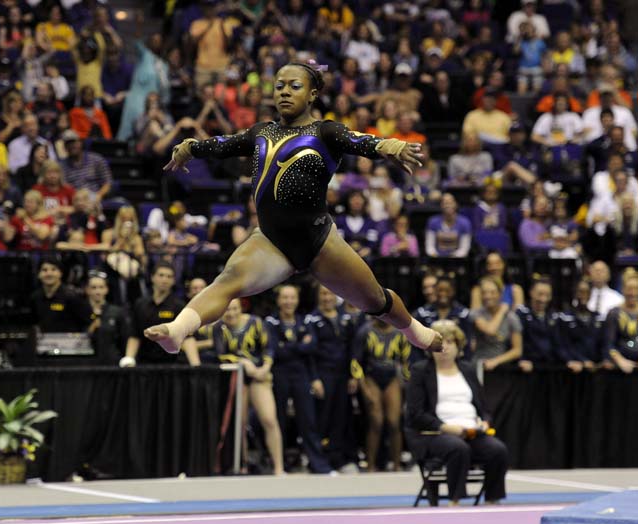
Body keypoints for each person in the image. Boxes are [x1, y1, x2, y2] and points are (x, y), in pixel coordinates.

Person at [144, 62, 443, 356]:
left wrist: (387, 146)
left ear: (312, 94)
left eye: (295, 86)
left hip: (319, 243)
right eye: (279, 86)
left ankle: (414, 331)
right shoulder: (260, 132)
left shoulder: (325, 132)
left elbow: (358, 141)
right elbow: (223, 144)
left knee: (375, 300)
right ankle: (178, 330)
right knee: (227, 279)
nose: (285, 92)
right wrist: (190, 147)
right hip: (272, 241)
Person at [405, 320, 509, 505]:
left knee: (498, 450)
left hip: (471, 431)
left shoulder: (467, 370)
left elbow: (484, 408)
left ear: (458, 346)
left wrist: (484, 422)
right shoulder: (420, 371)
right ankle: (456, 500)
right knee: (457, 448)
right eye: (439, 342)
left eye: (450, 342)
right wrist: (446, 427)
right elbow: (416, 413)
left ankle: (493, 500)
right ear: (430, 347)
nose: (444, 347)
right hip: (434, 434)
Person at [213, 298, 284, 475]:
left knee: (269, 419)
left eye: (235, 309)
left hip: (259, 376)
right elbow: (221, 355)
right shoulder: (219, 328)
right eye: (227, 310)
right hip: (237, 378)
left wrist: (265, 368)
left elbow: (268, 348)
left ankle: (278, 467)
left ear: (241, 308)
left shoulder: (256, 323)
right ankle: (243, 465)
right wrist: (244, 363)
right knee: (241, 423)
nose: (231, 313)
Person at [266, 285, 332, 473]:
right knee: (278, 420)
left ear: (297, 300)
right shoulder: (271, 322)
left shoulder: (304, 321)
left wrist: (314, 378)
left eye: (292, 298)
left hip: (301, 373)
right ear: (278, 300)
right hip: (279, 374)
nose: (288, 302)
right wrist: (298, 346)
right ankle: (277, 462)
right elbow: (275, 351)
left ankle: (318, 464)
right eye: (285, 298)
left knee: (308, 419)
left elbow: (311, 349)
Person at [351, 316, 411, 472]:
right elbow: (356, 362)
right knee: (375, 422)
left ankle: (397, 465)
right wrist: (363, 388)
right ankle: (370, 465)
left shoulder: (400, 332)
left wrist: (407, 384)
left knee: (394, 422)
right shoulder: (365, 331)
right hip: (372, 377)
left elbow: (406, 360)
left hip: (392, 378)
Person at [308, 285, 357, 470]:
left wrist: (354, 375)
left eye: (329, 293)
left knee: (341, 416)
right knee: (323, 416)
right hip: (323, 373)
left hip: (343, 374)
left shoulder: (345, 318)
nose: (326, 297)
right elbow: (310, 353)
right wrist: (314, 378)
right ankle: (320, 459)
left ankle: (338, 458)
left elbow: (353, 350)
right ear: (318, 296)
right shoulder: (312, 320)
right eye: (322, 293)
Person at [120, 261, 200, 367]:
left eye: (169, 276)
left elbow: (188, 338)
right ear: (152, 277)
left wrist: (196, 365)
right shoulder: (140, 304)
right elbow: (135, 335)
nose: (165, 279)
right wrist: (129, 358)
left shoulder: (180, 306)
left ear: (173, 281)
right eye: (161, 275)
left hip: (173, 365)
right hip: (145, 364)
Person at [470, 276, 523, 380]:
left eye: (492, 292)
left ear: (500, 293)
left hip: (502, 368)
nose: (487, 296)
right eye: (484, 292)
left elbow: (517, 350)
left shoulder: (512, 318)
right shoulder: (475, 314)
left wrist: (496, 361)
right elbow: (490, 330)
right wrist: (502, 311)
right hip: (478, 366)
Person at [515, 278, 569, 372]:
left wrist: (569, 360)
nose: (543, 299)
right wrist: (522, 359)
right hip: (527, 367)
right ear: (531, 292)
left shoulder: (554, 316)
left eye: (547, 295)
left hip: (549, 367)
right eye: (540, 294)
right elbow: (518, 341)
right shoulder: (521, 313)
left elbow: (558, 344)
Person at [31, 256, 91, 333]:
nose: (49, 273)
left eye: (53, 269)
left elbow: (89, 319)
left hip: (70, 342)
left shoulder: (73, 296)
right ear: (39, 274)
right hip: (45, 342)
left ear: (61, 273)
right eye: (44, 270)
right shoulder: (35, 297)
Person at [558, 279, 605, 373]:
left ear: (591, 294)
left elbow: (603, 343)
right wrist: (581, 360)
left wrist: (604, 359)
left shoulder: (598, 317)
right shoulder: (565, 317)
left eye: (587, 292)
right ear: (575, 293)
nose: (583, 295)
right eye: (580, 291)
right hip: (573, 368)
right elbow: (562, 344)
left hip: (595, 368)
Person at [85, 270, 131, 365]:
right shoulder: (80, 311)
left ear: (106, 289)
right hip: (86, 363)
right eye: (93, 287)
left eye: (101, 287)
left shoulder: (117, 312)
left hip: (112, 364)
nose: (98, 291)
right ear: (87, 290)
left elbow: (124, 340)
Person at [604, 268, 638, 374]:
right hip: (620, 368)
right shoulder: (614, 313)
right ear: (623, 289)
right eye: (629, 289)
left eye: (636, 289)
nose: (632, 293)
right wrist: (620, 360)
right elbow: (608, 343)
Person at [425, 193, 472, 258]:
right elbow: (429, 247)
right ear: (441, 205)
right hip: (437, 259)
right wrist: (436, 256)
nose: (448, 205)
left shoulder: (464, 223)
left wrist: (452, 257)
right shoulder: (433, 222)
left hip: (457, 260)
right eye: (445, 203)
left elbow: (464, 248)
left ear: (456, 204)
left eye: (450, 202)